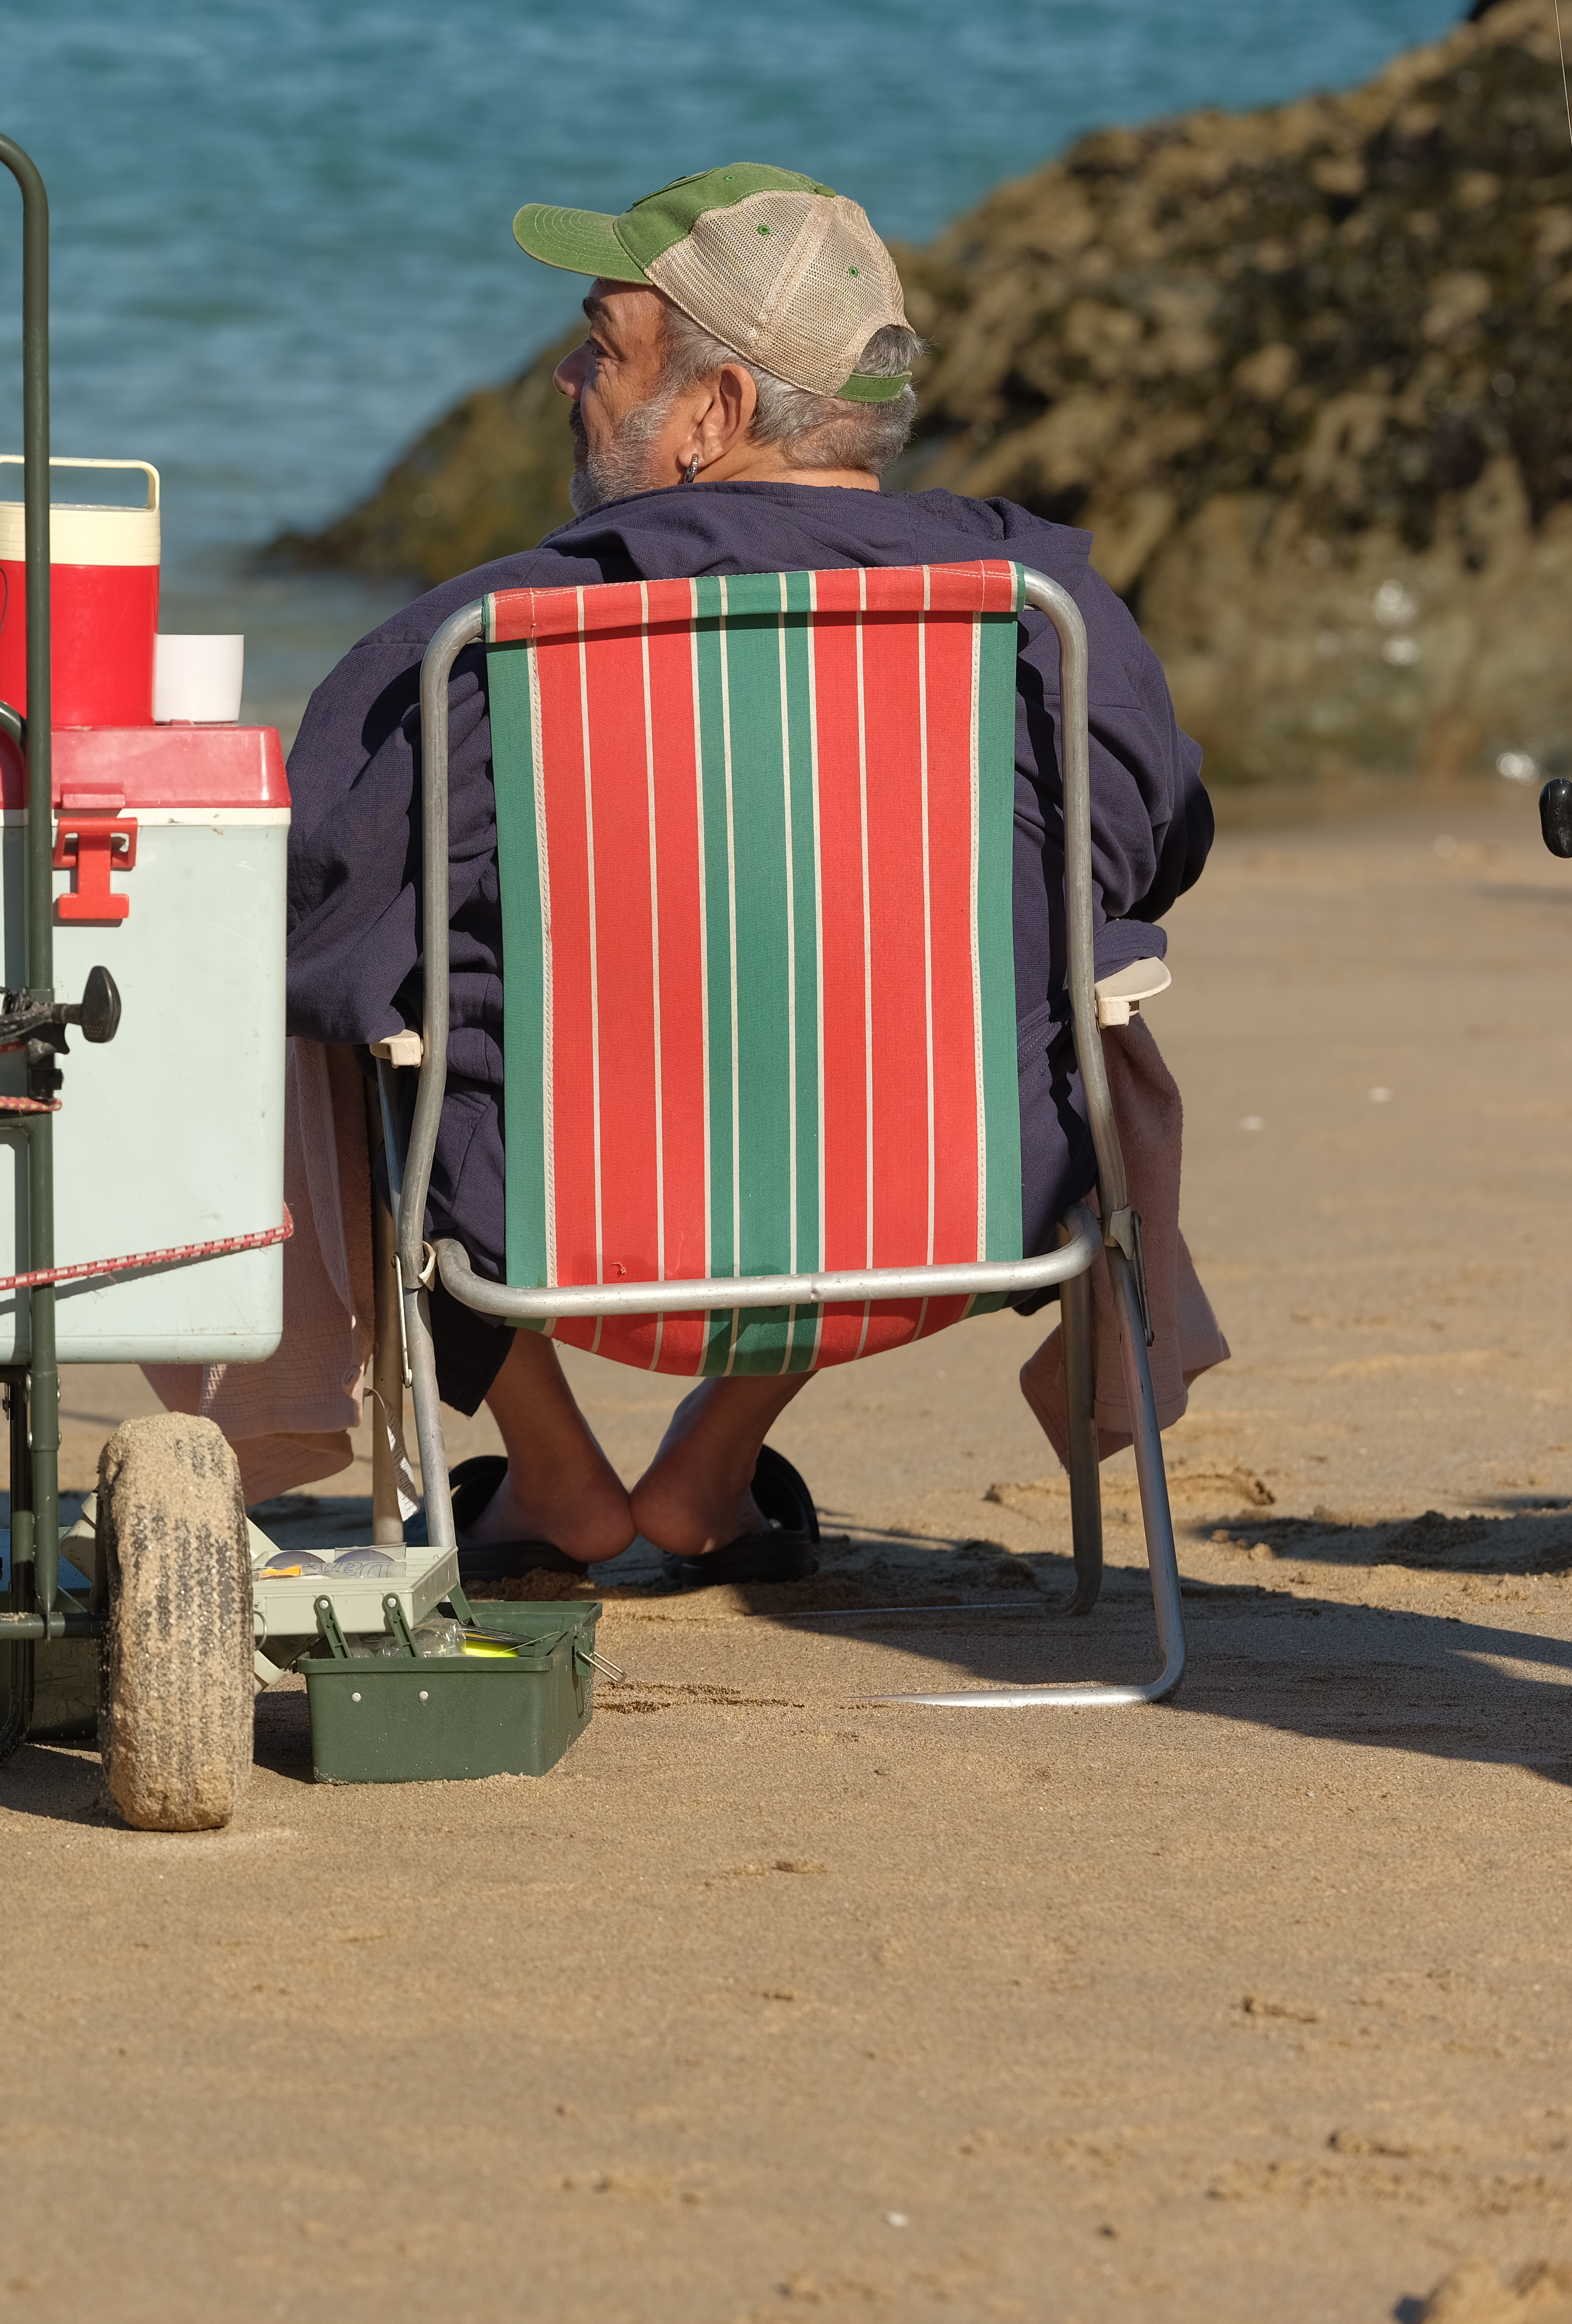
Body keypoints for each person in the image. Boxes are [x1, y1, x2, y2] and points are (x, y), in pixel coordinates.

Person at [260, 163, 1225, 1583]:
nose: (563, 381)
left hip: (545, 1219)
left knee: (336, 1009)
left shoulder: (498, 644)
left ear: (710, 416)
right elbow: (1158, 841)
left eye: (601, 347)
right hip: (964, 1211)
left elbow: (317, 906)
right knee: (1022, 976)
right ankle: (711, 1466)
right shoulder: (1037, 615)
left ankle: (555, 1472)